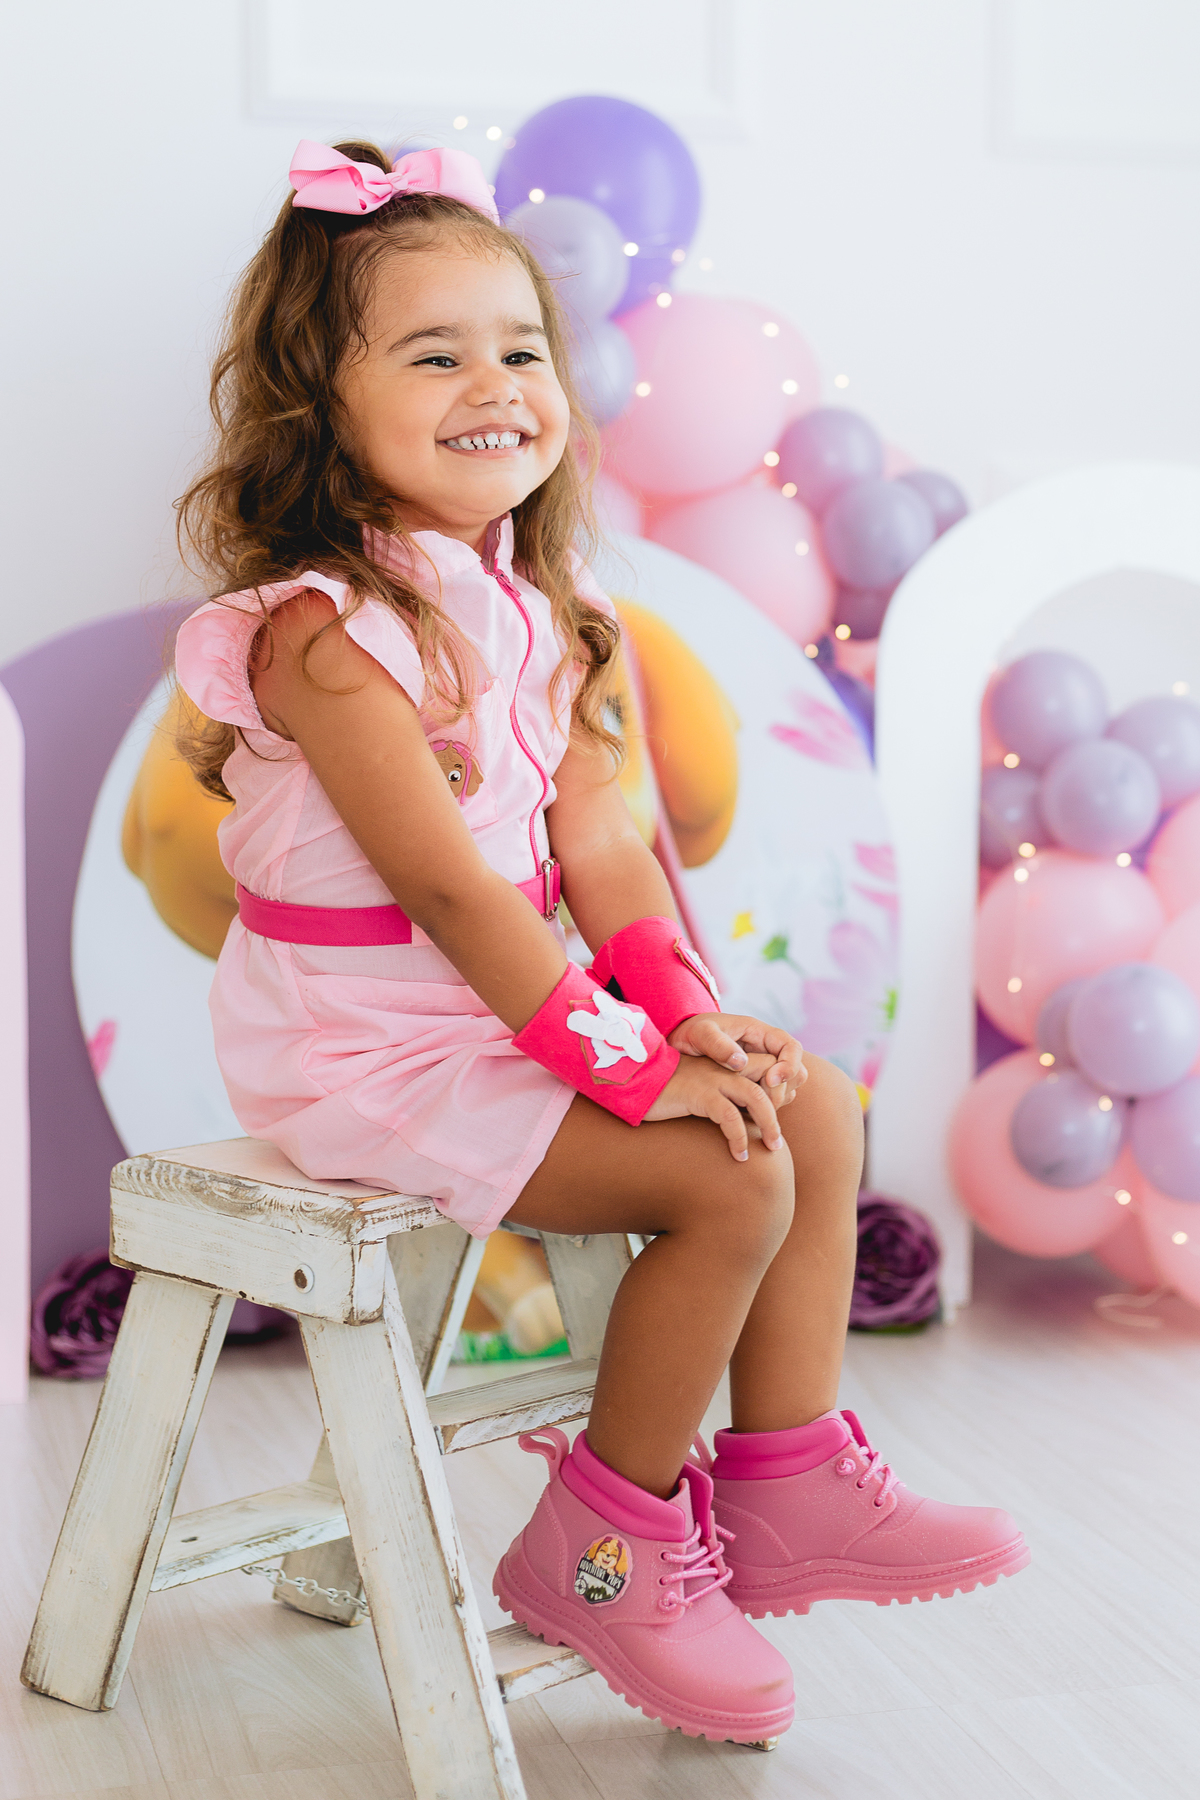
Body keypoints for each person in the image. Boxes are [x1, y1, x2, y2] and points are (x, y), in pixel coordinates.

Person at [174, 138, 1028, 1748]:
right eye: (434, 354)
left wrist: (682, 1016)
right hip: (362, 1041)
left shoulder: (554, 616)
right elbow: (452, 894)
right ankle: (605, 1551)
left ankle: (786, 1479)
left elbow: (607, 850)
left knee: (808, 1106)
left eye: (521, 349)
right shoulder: (323, 637)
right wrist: (623, 1069)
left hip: (498, 1009)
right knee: (726, 1179)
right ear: (321, 401)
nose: (495, 384)